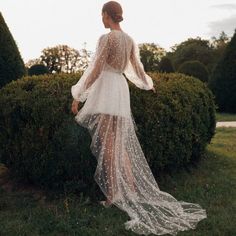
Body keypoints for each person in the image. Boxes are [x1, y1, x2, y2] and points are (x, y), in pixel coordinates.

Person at [71, 1, 207, 235]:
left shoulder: (106, 39)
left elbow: (95, 69)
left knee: (108, 142)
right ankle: (130, 188)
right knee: (118, 142)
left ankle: (114, 195)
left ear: (107, 15)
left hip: (106, 89)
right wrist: (147, 84)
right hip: (120, 89)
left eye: (102, 15)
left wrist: (78, 95)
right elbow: (136, 67)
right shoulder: (129, 40)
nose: (101, 19)